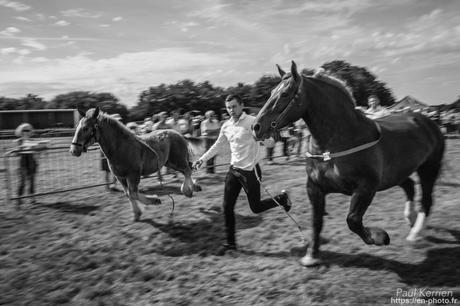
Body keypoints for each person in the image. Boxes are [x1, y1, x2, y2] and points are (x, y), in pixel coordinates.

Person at [193, 94, 291, 255]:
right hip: (234, 170)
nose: (231, 110)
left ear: (241, 105)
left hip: (251, 170)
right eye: (228, 107)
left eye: (234, 106)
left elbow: (271, 142)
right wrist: (201, 160)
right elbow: (218, 145)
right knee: (227, 207)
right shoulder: (226, 125)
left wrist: (264, 140)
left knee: (256, 208)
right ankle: (230, 244)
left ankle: (282, 199)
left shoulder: (253, 121)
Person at [13, 123, 48, 205]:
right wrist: (20, 148)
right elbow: (16, 154)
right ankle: (19, 198)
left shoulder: (33, 141)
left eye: (28, 130)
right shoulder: (18, 141)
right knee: (22, 182)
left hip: (32, 164)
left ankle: (32, 198)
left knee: (32, 181)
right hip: (23, 164)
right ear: (21, 131)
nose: (26, 132)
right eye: (24, 130)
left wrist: (43, 147)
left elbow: (38, 151)